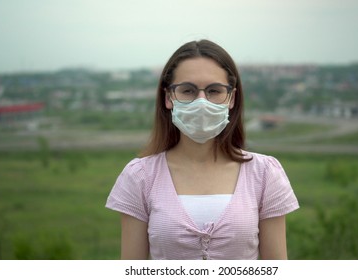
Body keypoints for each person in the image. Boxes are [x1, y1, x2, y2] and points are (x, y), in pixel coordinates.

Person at [106, 39, 299, 260]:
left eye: (214, 91)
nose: (201, 102)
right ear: (169, 97)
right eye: (187, 90)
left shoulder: (264, 174)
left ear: (231, 98)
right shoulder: (140, 176)